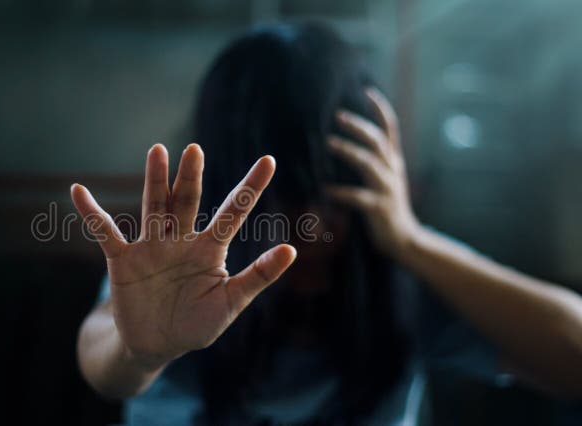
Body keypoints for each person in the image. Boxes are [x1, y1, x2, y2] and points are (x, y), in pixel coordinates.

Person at [72, 23, 582, 425]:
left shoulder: (399, 272)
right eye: (287, 206)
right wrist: (140, 351)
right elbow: (105, 361)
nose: (312, 234)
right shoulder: (180, 277)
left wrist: (411, 242)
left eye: (336, 201)